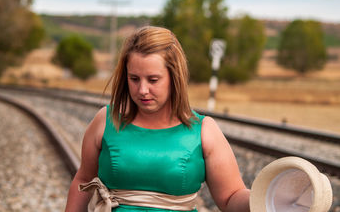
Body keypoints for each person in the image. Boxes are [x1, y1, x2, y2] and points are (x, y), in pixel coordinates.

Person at [65, 26, 250, 212]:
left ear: (174, 77)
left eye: (153, 80)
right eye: (134, 79)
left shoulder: (204, 131)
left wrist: (266, 196)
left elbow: (230, 198)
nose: (142, 90)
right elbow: (83, 181)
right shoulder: (105, 121)